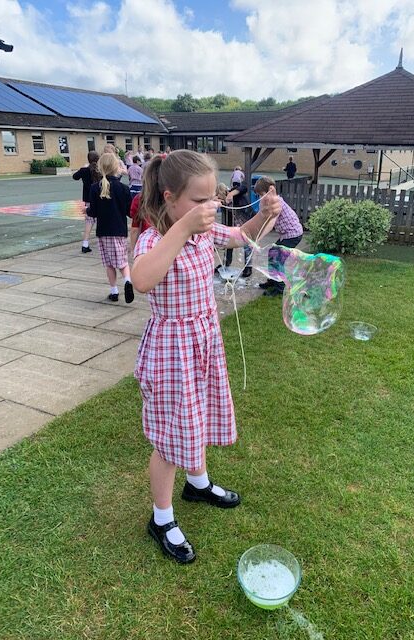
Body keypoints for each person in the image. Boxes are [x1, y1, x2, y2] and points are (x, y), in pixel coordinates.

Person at [131, 150, 280, 563]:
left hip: (203, 343)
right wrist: (181, 229)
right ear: (169, 197)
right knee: (168, 438)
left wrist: (265, 215)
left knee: (197, 418)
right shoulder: (155, 238)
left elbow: (240, 237)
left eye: (213, 198)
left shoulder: (203, 233)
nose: (210, 207)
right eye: (199, 201)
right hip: (170, 353)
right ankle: (161, 518)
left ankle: (197, 482)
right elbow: (141, 279)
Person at [88, 152, 134, 303]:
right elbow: (129, 212)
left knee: (109, 263)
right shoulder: (124, 188)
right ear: (116, 167)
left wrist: (86, 211)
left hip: (104, 230)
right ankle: (127, 280)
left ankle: (114, 291)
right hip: (119, 229)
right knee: (123, 261)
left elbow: (93, 212)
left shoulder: (95, 188)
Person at [253, 176, 304, 296]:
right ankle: (272, 280)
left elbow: (269, 224)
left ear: (270, 190)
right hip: (286, 234)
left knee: (278, 259)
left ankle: (280, 288)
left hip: (293, 234)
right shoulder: (270, 202)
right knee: (272, 253)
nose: (260, 198)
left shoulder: (277, 203)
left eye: (261, 194)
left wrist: (258, 238)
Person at [222, 180, 254, 277]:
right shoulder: (223, 204)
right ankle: (226, 264)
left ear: (225, 192)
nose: (220, 199)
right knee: (228, 243)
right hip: (235, 225)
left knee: (247, 245)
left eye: (221, 196)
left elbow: (244, 187)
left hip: (247, 220)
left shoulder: (235, 193)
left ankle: (248, 268)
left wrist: (231, 193)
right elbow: (226, 219)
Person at [72, 151, 101, 253]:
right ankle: (102, 242)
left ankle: (85, 243)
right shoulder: (100, 170)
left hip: (88, 199)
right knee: (101, 220)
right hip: (99, 198)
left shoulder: (84, 170)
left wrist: (84, 167)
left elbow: (75, 177)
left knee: (89, 221)